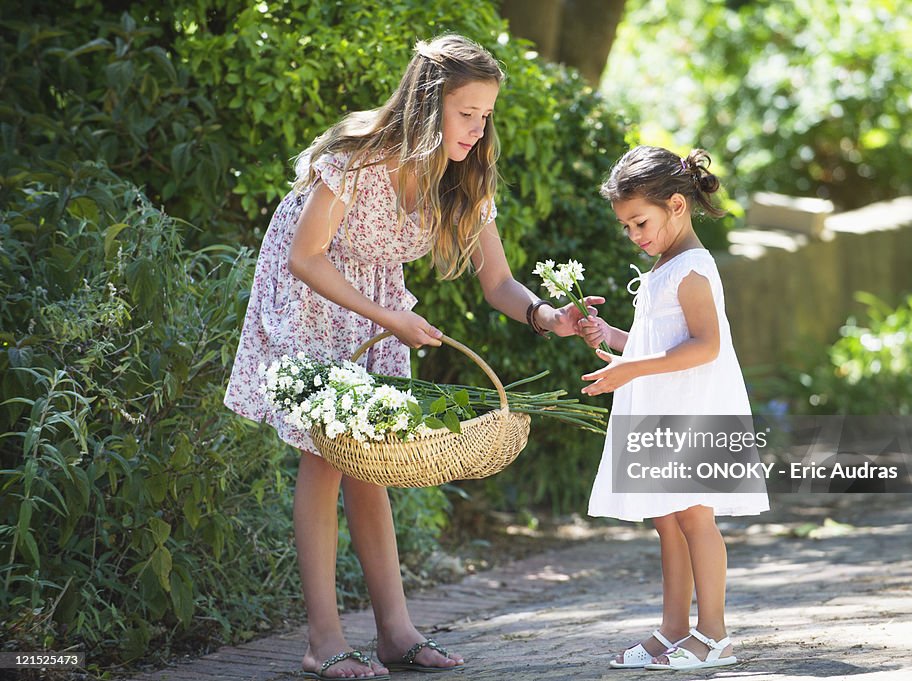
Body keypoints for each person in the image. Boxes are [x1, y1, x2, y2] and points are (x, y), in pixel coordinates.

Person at [224, 34, 600, 680]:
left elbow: (498, 283)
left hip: (373, 299)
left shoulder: (464, 174)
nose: (478, 131)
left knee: (372, 452)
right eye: (466, 114)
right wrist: (390, 317)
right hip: (316, 285)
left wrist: (547, 316)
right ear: (429, 104)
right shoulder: (361, 157)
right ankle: (323, 638)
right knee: (328, 451)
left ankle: (395, 632)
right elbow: (304, 256)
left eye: (486, 117)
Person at [578, 145, 770, 671]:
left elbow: (705, 346)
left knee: (694, 515)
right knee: (666, 519)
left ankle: (715, 635)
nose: (635, 235)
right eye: (626, 227)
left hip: (693, 406)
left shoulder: (692, 269)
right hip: (662, 404)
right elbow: (655, 340)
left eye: (641, 222)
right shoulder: (666, 265)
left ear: (678, 206)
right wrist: (611, 338)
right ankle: (673, 630)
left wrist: (630, 370)